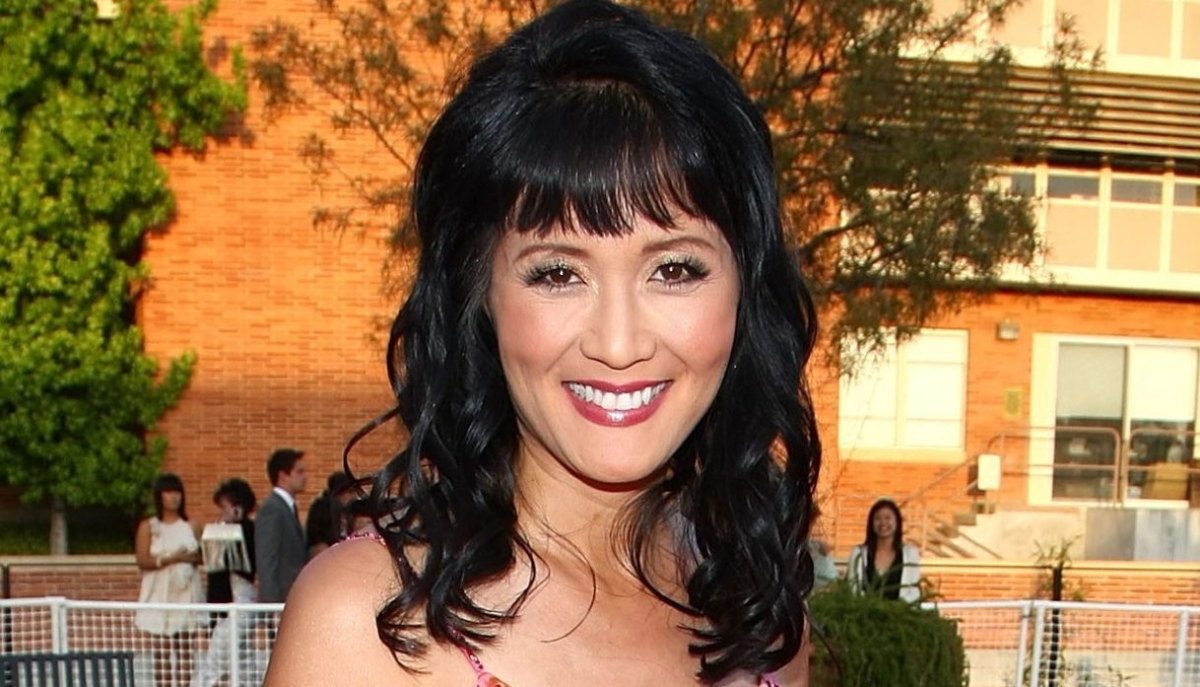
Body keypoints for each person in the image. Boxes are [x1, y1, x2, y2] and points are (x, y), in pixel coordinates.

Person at [265, 1, 821, 685]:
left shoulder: (761, 614)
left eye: (674, 269)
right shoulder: (366, 626)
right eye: (558, 273)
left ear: (745, 288)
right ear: (481, 295)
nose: (618, 343)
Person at [134, 473, 204, 687]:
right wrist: (172, 558)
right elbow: (143, 560)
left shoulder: (191, 526)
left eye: (177, 492)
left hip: (185, 590)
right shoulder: (149, 527)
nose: (174, 497)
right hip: (160, 591)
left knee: (185, 647)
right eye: (168, 492)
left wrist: (190, 558)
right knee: (162, 649)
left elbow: (203, 556)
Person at [192, 478, 257, 687]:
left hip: (239, 602)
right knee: (236, 661)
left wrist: (232, 523)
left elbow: (245, 563)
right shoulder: (219, 532)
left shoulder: (248, 530)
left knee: (220, 661)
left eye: (224, 507)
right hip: (226, 604)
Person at [254, 448, 308, 603]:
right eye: (299, 472)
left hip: (292, 597)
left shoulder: (286, 507)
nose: (305, 477)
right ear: (283, 475)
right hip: (280, 599)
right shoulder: (272, 509)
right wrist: (271, 605)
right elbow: (266, 559)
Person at [846, 499, 922, 603]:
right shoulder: (859, 553)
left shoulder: (910, 554)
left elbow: (914, 591)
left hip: (900, 611)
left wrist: (897, 608)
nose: (883, 523)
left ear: (897, 522)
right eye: (877, 518)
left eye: (887, 518)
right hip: (865, 611)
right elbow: (854, 589)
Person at [305, 471, 352, 559]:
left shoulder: (347, 509)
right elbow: (316, 533)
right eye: (349, 492)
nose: (350, 496)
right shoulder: (324, 507)